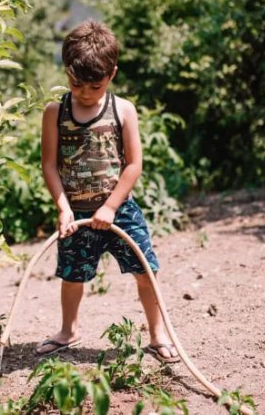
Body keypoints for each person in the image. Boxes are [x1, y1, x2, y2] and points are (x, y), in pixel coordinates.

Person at [35, 20, 179, 364]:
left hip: (120, 211)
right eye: (76, 83)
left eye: (94, 85)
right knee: (72, 276)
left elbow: (133, 165)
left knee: (146, 272)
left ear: (111, 74)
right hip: (77, 215)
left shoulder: (123, 110)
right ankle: (69, 330)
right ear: (66, 72)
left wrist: (111, 207)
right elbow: (49, 165)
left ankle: (157, 335)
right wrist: (63, 208)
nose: (84, 92)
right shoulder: (55, 113)